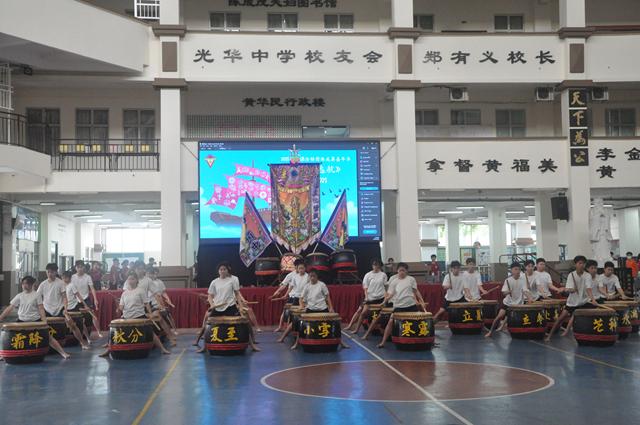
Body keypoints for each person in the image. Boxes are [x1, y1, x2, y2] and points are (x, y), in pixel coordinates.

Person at [0, 276, 70, 360]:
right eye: (23, 284)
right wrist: (1, 317)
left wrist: (44, 322)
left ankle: (63, 353)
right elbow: (10, 308)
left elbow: (41, 308)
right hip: (22, 320)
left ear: (31, 284)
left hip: (35, 321)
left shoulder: (36, 295)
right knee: (9, 337)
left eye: (27, 283)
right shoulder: (19, 296)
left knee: (48, 337)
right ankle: (3, 355)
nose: (24, 285)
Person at [101, 273, 170, 356]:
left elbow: (146, 304)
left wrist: (150, 314)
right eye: (129, 279)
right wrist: (118, 308)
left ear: (136, 280)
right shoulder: (124, 293)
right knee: (114, 331)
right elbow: (121, 307)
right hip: (126, 317)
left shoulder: (141, 291)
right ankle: (109, 350)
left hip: (139, 316)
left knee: (151, 333)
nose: (130, 281)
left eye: (132, 279)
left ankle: (162, 349)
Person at [196, 262, 259, 352]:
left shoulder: (232, 280)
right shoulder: (214, 282)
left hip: (230, 306)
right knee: (207, 324)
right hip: (217, 308)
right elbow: (210, 296)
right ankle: (204, 347)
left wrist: (241, 306)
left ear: (227, 270)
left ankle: (252, 345)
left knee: (244, 322)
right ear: (218, 271)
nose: (222, 271)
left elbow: (237, 294)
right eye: (221, 269)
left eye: (224, 269)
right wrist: (212, 305)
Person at [287, 269, 349, 350]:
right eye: (310, 276)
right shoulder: (307, 286)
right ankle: (296, 343)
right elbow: (301, 298)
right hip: (310, 309)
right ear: (309, 277)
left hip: (322, 308)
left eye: (314, 276)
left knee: (334, 323)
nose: (312, 278)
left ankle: (341, 342)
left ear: (317, 277)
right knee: (301, 324)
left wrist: (331, 308)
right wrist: (302, 306)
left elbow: (327, 297)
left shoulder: (322, 285)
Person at [545, 256, 600, 341]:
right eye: (580, 263)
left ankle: (568, 331)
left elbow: (588, 289)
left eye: (583, 263)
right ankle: (549, 336)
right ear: (575, 264)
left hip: (583, 302)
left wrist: (593, 300)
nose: (582, 265)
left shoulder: (587, 275)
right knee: (560, 319)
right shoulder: (571, 275)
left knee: (576, 315)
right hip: (572, 302)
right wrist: (569, 289)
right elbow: (569, 289)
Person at [377, 262, 426, 348]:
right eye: (400, 270)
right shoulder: (394, 281)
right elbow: (390, 294)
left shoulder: (411, 279)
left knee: (420, 321)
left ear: (406, 271)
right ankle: (383, 342)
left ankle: (425, 341)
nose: (401, 272)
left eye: (403, 270)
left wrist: (421, 301)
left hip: (411, 305)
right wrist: (383, 302)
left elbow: (416, 291)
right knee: (390, 322)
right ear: (397, 271)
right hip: (399, 306)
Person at [36, 265, 74, 358]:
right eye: (48, 272)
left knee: (71, 323)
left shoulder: (60, 283)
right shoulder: (43, 284)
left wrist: (65, 309)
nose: (49, 274)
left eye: (52, 272)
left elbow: (64, 297)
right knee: (41, 327)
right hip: (46, 308)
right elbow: (37, 297)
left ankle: (82, 342)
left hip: (59, 308)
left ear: (56, 272)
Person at [485, 262, 532, 338]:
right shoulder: (508, 280)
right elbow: (504, 293)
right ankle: (490, 332)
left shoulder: (522, 280)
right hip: (508, 303)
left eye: (519, 269)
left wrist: (529, 298)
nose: (518, 271)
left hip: (518, 304)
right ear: (511, 270)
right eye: (515, 269)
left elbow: (525, 291)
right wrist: (508, 292)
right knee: (498, 317)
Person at [346, 259, 387, 333]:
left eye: (377, 265)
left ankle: (376, 328)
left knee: (371, 314)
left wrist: (385, 299)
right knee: (361, 311)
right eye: (374, 265)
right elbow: (365, 288)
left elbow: (385, 286)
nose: (375, 266)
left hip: (380, 297)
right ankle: (352, 327)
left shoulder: (383, 275)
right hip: (369, 298)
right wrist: (367, 297)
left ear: (380, 266)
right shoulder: (368, 275)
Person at [269, 259, 308, 332]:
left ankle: (297, 328)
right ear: (296, 267)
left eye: (301, 267)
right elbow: (284, 286)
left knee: (301, 313)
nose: (299, 269)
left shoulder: (307, 276)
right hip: (293, 297)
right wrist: (275, 294)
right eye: (298, 267)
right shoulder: (291, 275)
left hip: (303, 298)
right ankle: (280, 327)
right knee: (286, 312)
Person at [61, 271, 91, 349]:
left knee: (81, 324)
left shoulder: (72, 285)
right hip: (66, 308)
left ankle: (87, 338)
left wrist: (85, 305)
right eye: (63, 278)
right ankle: (75, 340)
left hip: (74, 307)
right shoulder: (61, 286)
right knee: (70, 325)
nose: (64, 279)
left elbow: (78, 296)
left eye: (65, 278)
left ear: (69, 278)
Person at [71, 260, 102, 337]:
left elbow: (92, 288)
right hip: (76, 300)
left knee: (93, 315)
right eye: (78, 267)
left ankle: (99, 332)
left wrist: (95, 299)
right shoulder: (72, 277)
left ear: (84, 267)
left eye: (81, 267)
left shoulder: (88, 277)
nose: (80, 269)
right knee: (77, 317)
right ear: (75, 268)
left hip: (86, 298)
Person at [147, 267, 178, 336]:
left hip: (158, 303)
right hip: (149, 304)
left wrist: (168, 300)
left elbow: (163, 293)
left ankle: (174, 330)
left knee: (167, 314)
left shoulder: (159, 282)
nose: (154, 275)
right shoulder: (146, 282)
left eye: (155, 274)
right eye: (151, 274)